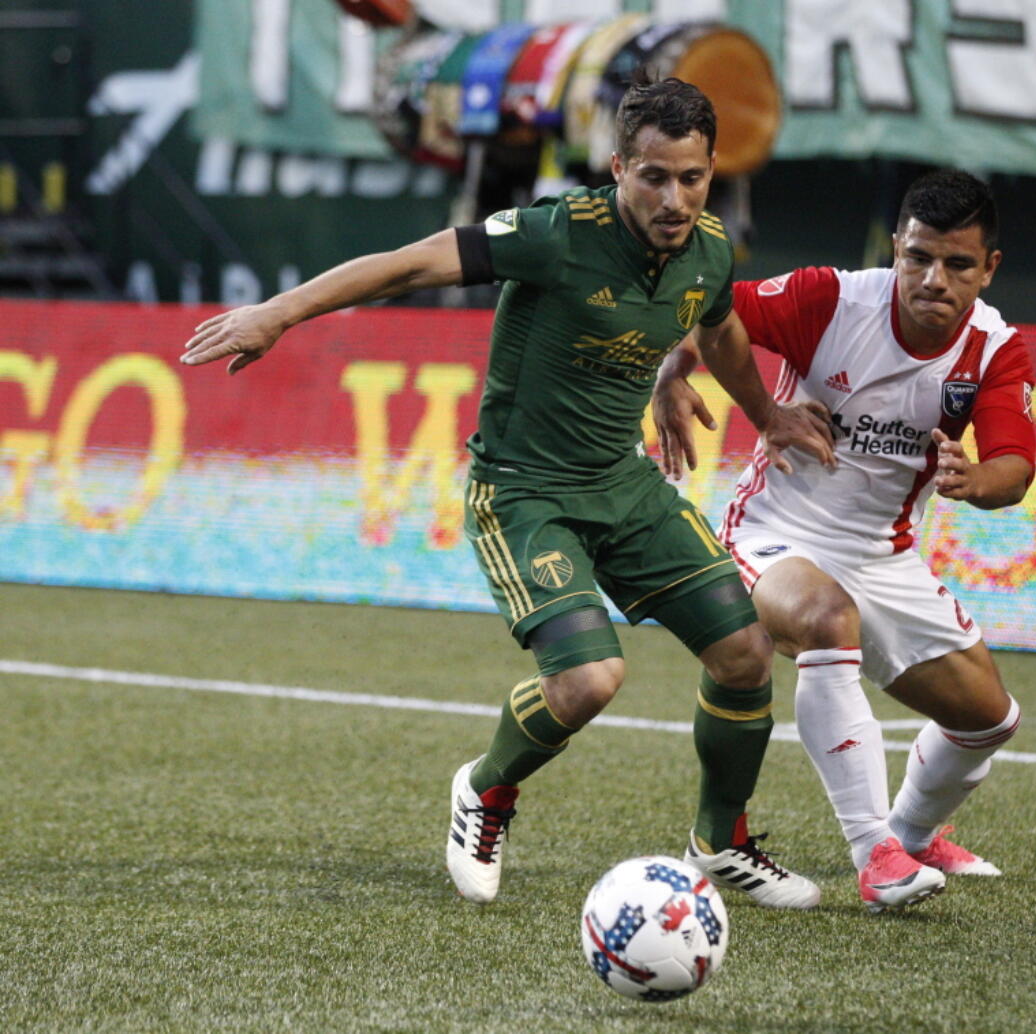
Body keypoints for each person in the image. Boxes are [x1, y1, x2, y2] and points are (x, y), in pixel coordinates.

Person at [181, 75, 834, 908]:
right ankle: (485, 790)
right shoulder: (555, 233)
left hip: (624, 485)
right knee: (590, 681)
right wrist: (282, 311)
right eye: (654, 177)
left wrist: (759, 410)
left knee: (745, 655)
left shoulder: (706, 247)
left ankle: (720, 840)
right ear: (617, 167)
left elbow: (718, 327)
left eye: (693, 178)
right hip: (524, 494)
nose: (675, 198)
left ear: (712, 172)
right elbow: (410, 262)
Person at [652, 169, 1035, 914]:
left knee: (988, 718)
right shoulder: (833, 298)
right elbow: (710, 304)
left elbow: (1016, 469)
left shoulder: (994, 349)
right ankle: (875, 854)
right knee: (829, 619)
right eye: (918, 257)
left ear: (989, 268)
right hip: (775, 534)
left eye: (957, 264)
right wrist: (675, 368)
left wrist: (975, 478)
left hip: (884, 554)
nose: (933, 278)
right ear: (896, 247)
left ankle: (913, 834)